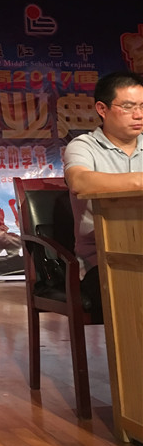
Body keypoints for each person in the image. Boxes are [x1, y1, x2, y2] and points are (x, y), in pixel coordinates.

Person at [64, 70, 143, 321]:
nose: (138, 115)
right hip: (102, 262)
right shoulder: (83, 146)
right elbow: (79, 181)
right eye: (128, 107)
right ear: (102, 109)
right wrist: (138, 181)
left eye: (142, 106)